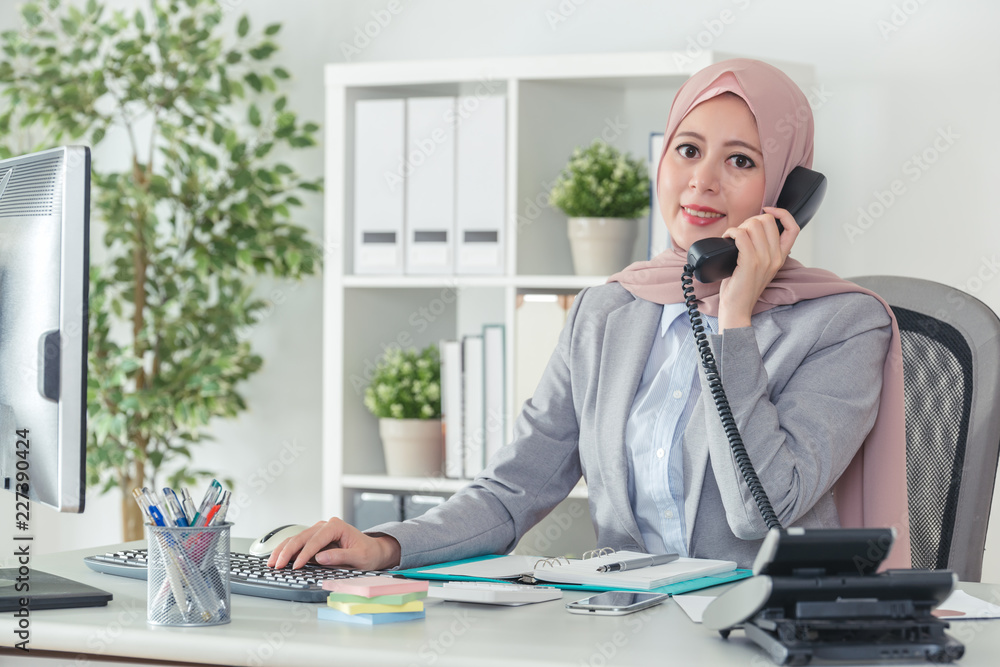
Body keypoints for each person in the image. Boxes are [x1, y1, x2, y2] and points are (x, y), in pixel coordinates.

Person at [270, 58, 910, 573]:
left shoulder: (844, 325)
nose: (702, 182)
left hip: (760, 633)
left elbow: (762, 511)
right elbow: (511, 490)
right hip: (623, 627)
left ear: (788, 193)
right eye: (687, 150)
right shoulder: (609, 311)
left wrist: (734, 319)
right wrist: (386, 545)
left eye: (741, 161)